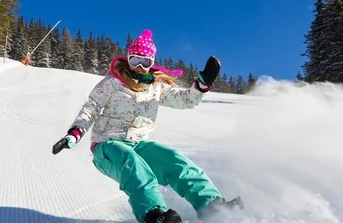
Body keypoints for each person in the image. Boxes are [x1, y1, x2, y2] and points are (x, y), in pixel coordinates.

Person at [52, 29, 243, 223]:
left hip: (138, 144)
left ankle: (211, 206)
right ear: (128, 59)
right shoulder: (112, 82)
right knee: (133, 163)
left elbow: (183, 100)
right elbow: (91, 106)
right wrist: (75, 133)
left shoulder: (156, 87)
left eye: (146, 62)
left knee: (174, 160)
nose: (140, 67)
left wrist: (202, 85)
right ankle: (154, 214)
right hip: (107, 145)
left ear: (152, 64)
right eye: (135, 61)